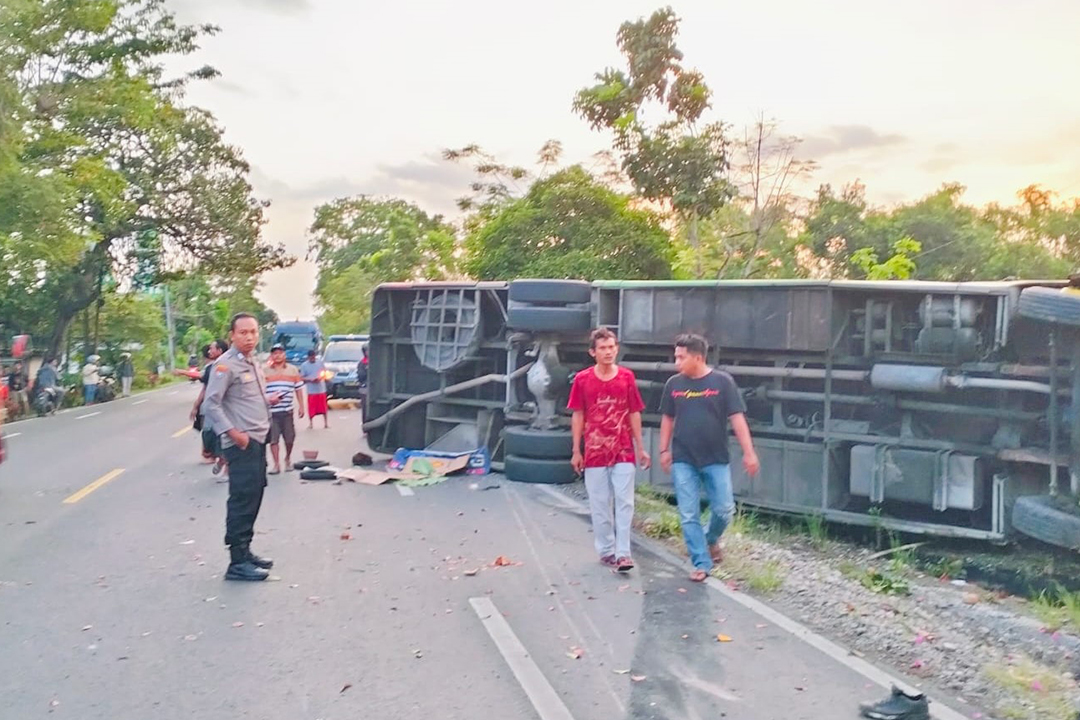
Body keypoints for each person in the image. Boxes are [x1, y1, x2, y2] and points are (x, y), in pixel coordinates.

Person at [659, 333, 760, 583]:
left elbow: (737, 418)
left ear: (698, 357)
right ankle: (701, 562)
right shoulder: (674, 384)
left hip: (715, 458)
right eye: (676, 357)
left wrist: (749, 452)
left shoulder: (722, 382)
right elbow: (668, 418)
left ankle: (710, 538)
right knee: (688, 513)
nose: (677, 362)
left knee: (725, 509)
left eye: (681, 357)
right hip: (684, 457)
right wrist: (663, 450)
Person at [568, 328, 650, 572]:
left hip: (623, 447)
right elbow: (578, 414)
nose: (608, 352)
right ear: (593, 352)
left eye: (612, 347)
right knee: (600, 502)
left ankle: (624, 553)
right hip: (594, 450)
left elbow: (634, 411)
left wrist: (641, 447)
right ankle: (606, 549)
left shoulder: (626, 377)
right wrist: (576, 450)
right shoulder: (583, 380)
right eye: (603, 348)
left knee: (624, 502)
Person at [202, 314, 274, 582]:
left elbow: (249, 397)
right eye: (243, 332)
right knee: (242, 498)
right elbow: (211, 404)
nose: (249, 337)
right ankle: (236, 562)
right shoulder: (225, 365)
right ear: (232, 334)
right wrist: (234, 434)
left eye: (253, 332)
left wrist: (269, 400)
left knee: (254, 494)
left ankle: (246, 552)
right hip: (241, 443)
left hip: (258, 438)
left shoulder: (253, 362)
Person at [264, 343, 305, 475]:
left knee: (289, 438)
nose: (277, 356)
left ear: (284, 355)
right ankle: (276, 464)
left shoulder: (292, 370)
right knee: (273, 439)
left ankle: (287, 458)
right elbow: (259, 389)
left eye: (280, 353)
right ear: (271, 356)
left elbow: (298, 389)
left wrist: (301, 406)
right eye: (274, 353)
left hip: (287, 411)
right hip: (272, 412)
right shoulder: (264, 371)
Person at [191, 340, 228, 478]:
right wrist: (197, 405)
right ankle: (218, 459)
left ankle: (225, 468)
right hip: (210, 407)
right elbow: (206, 387)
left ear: (219, 351)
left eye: (212, 349)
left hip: (224, 408)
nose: (209, 351)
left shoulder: (227, 365)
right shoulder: (210, 367)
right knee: (208, 435)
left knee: (224, 437)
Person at [299, 348, 329, 429]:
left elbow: (325, 373)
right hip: (311, 391)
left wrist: (320, 378)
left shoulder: (320, 363)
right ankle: (311, 423)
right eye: (311, 357)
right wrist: (310, 379)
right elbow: (301, 378)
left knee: (323, 407)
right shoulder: (304, 365)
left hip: (321, 389)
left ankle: (326, 423)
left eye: (313, 357)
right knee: (311, 408)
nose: (313, 359)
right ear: (308, 357)